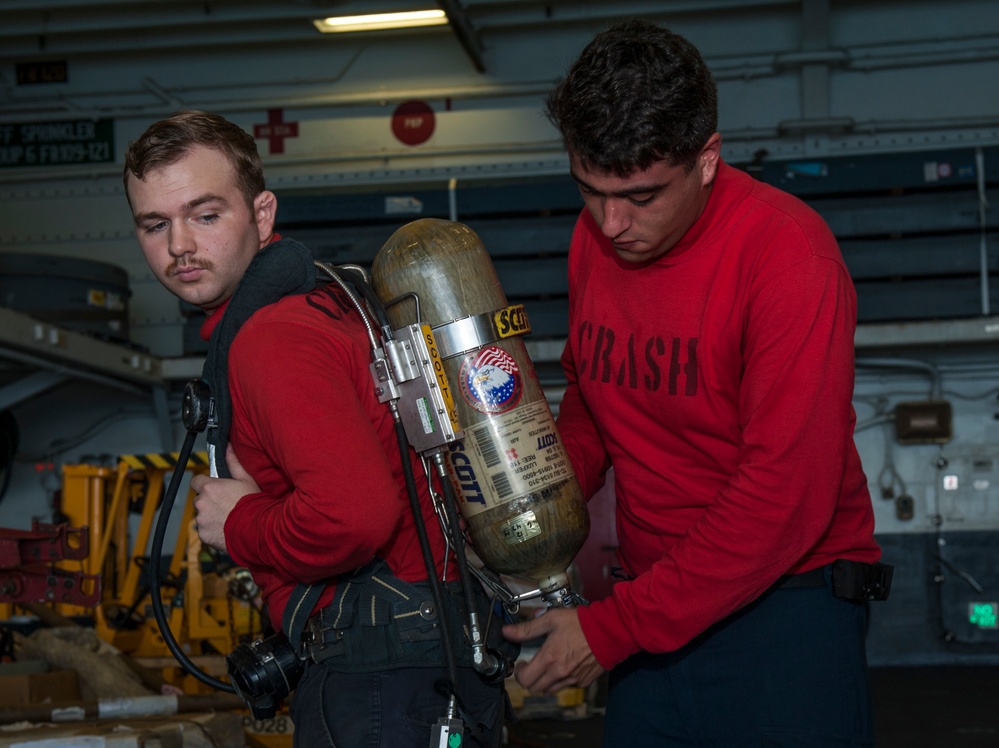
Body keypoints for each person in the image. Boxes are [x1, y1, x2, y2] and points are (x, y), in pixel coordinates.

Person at [501, 19, 890, 747]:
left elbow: (781, 499)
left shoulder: (787, 256)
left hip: (785, 610)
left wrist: (612, 628)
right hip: (656, 607)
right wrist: (529, 495)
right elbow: (592, 401)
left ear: (706, 159)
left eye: (642, 197)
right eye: (589, 189)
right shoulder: (595, 241)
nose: (612, 223)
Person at [123, 110, 510, 747]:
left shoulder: (272, 337)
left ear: (262, 214)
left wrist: (238, 523)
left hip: (382, 676)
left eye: (206, 214)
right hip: (434, 654)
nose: (180, 245)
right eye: (155, 224)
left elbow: (352, 517)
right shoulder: (329, 298)